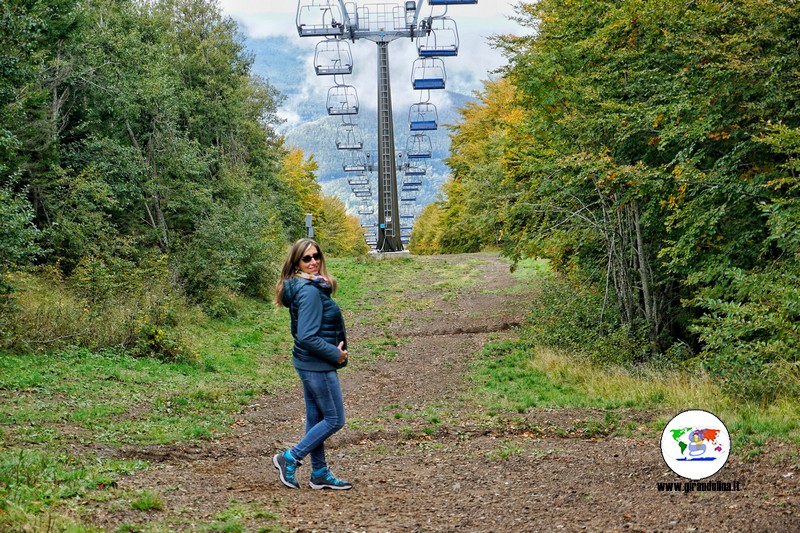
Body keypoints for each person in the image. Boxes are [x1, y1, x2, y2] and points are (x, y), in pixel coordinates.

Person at [273, 238, 352, 490]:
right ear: (297, 262)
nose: (313, 262)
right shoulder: (308, 291)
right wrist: (335, 354)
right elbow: (307, 336)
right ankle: (290, 457)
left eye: (316, 256)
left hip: (309, 362)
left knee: (316, 418)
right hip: (317, 364)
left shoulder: (308, 287)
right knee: (334, 419)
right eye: (306, 258)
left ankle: (318, 472)